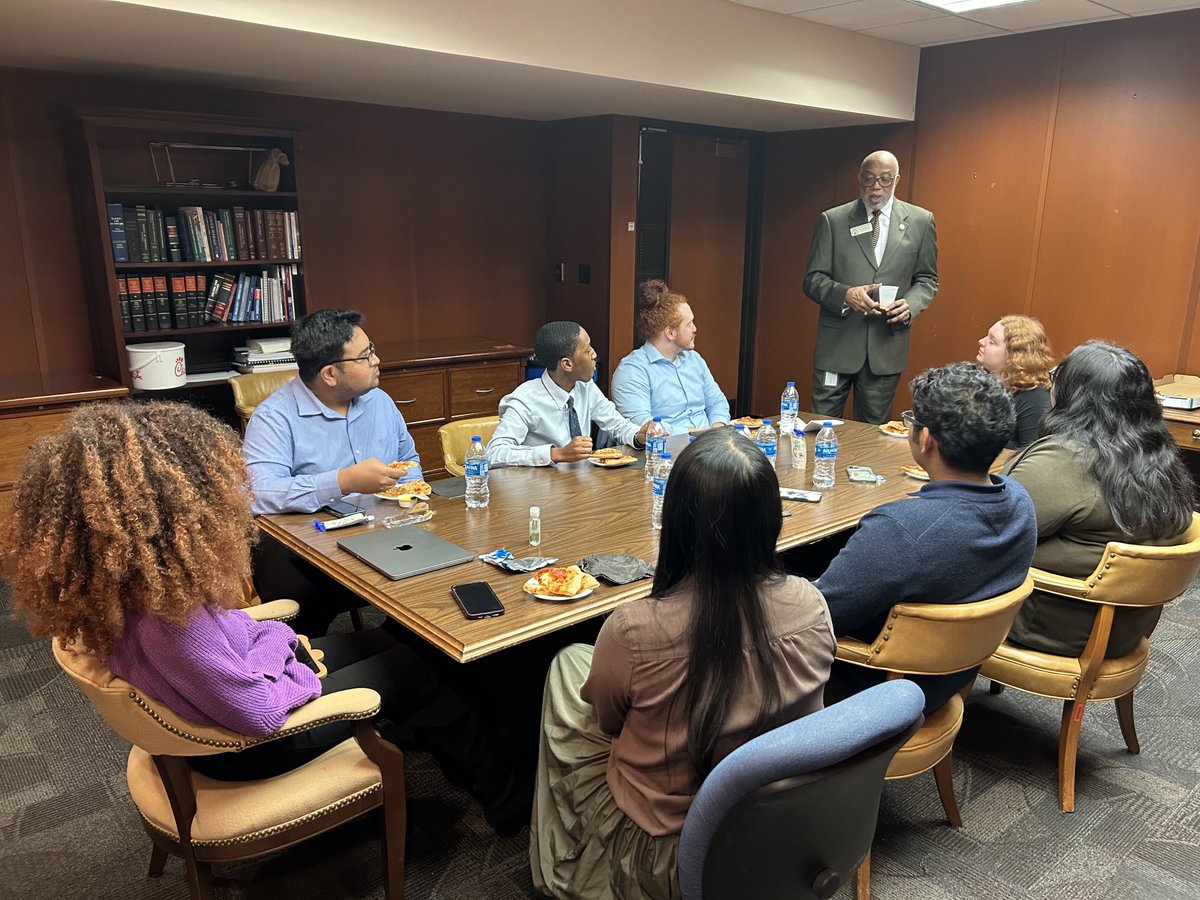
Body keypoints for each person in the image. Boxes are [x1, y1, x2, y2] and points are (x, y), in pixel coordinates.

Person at [2, 402, 529, 835]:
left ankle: (451, 738)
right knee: (417, 668)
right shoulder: (169, 619)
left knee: (393, 640)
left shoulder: (124, 583)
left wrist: (282, 648)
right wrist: (296, 667)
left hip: (221, 704)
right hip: (245, 746)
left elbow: (235, 636)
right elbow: (257, 710)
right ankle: (505, 800)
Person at [530, 428, 835, 898]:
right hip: (777, 828)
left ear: (674, 520)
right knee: (576, 664)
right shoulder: (812, 603)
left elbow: (609, 724)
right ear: (771, 519)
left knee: (567, 671)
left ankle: (562, 867)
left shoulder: (632, 629)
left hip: (667, 852)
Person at [815, 363, 1036, 712]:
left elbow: (818, 618)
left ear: (926, 439)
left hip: (871, 691)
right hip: (947, 679)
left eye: (912, 420)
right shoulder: (1021, 502)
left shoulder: (900, 530)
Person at [1001, 341, 1195, 657]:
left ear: (1074, 396)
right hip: (1122, 628)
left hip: (1050, 626)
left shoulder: (1067, 460)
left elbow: (990, 523)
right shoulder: (1161, 459)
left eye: (1056, 378)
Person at [802, 149, 938, 424]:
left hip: (885, 346)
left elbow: (927, 279)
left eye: (885, 179)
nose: (876, 187)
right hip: (836, 347)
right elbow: (812, 279)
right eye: (869, 178)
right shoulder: (833, 220)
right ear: (859, 179)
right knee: (822, 426)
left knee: (872, 432)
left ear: (896, 180)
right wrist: (845, 294)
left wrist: (910, 306)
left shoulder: (921, 221)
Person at [243, 307, 422, 515]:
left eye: (371, 350)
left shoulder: (379, 400)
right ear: (329, 374)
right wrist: (343, 482)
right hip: (317, 530)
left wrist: (410, 497)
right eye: (365, 356)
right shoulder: (273, 418)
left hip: (391, 524)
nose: (376, 361)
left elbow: (408, 460)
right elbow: (258, 493)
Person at [488, 321, 651, 467]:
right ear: (567, 364)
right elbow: (494, 453)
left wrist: (638, 436)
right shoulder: (525, 400)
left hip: (582, 482)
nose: (594, 354)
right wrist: (556, 454)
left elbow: (616, 424)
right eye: (588, 350)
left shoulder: (585, 386)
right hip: (541, 485)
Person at [609, 280, 730, 435]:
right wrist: (699, 433)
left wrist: (716, 429)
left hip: (708, 442)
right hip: (667, 447)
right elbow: (645, 426)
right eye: (689, 324)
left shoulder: (694, 359)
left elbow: (717, 402)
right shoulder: (632, 371)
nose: (695, 329)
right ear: (670, 333)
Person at [976, 315, 1054, 449]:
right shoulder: (980, 379)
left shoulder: (1034, 396)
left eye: (992, 341)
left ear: (1013, 356)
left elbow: (1032, 452)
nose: (981, 341)